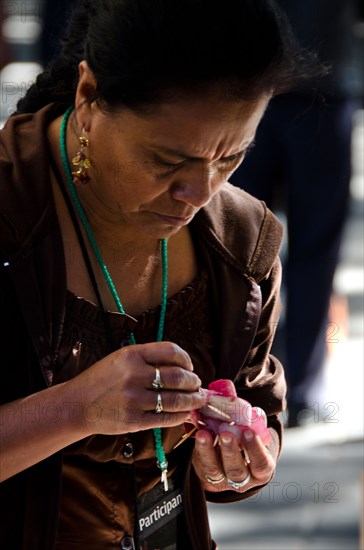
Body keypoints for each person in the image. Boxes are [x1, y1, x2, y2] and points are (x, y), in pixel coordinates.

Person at [0, 1, 314, 548]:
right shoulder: (11, 217)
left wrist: (240, 459)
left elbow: (254, 402)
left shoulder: (239, 239)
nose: (200, 192)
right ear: (89, 95)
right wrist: (73, 409)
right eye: (168, 162)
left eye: (231, 157)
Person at [230, 0, 364, 427]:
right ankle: (287, 385)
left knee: (240, 247)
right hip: (283, 87)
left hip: (273, 86)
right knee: (247, 247)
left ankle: (249, 379)